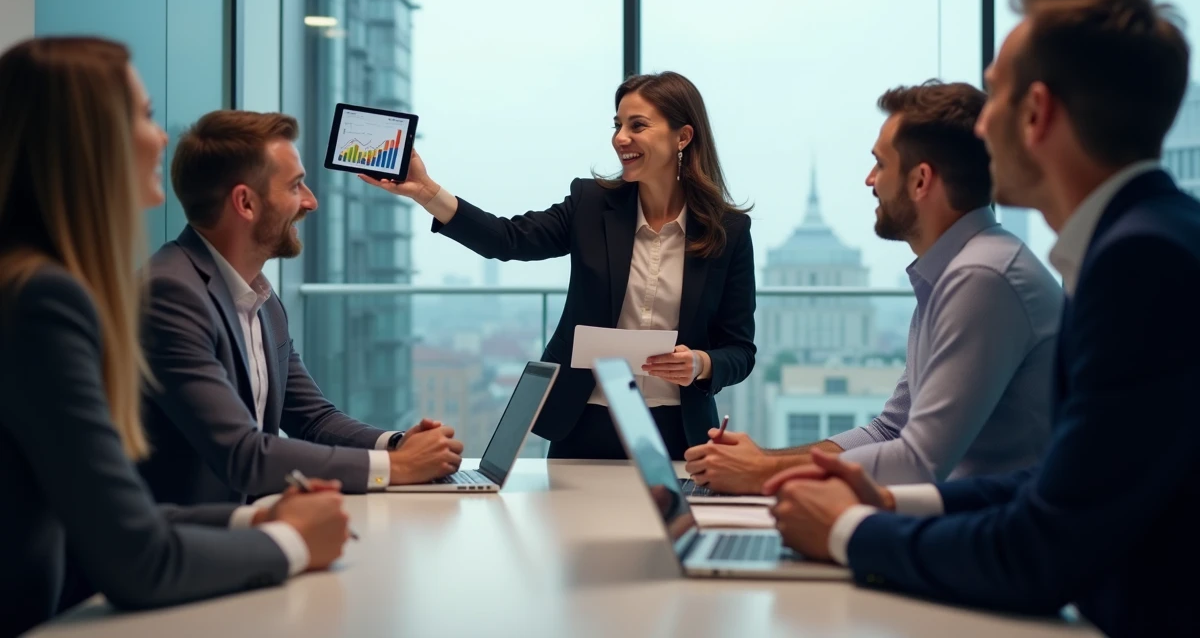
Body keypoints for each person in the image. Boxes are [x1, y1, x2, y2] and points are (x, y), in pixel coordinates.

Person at [766, 0, 1199, 637]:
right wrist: (885, 502)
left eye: (994, 93)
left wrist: (850, 530)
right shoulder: (1143, 238)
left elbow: (1041, 551)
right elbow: (1054, 485)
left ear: (1037, 114)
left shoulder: (1141, 263)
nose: (981, 121)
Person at [0, 37, 351, 637]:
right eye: (143, 115)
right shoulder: (45, 301)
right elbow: (138, 558)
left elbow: (115, 515)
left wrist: (264, 515)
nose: (162, 137)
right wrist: (292, 541)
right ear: (88, 140)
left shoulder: (36, 283)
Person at [684, 81, 1062, 490]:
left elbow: (918, 462)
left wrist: (762, 474)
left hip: (989, 535)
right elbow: (889, 429)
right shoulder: (955, 272)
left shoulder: (983, 278)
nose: (869, 180)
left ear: (920, 182)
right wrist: (761, 459)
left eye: (880, 165)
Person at [362, 71, 755, 460]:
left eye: (638, 125)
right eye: (617, 125)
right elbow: (506, 239)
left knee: (669, 526)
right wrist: (426, 191)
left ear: (682, 137)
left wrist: (700, 364)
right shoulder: (589, 204)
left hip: (677, 433)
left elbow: (739, 350)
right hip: (584, 423)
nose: (620, 138)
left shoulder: (728, 231)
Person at [138, 110, 463, 506]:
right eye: (295, 186)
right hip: (193, 544)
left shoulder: (261, 298)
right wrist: (399, 468)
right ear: (245, 203)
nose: (311, 202)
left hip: (251, 527)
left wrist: (397, 445)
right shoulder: (171, 293)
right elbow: (243, 453)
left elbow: (313, 420)